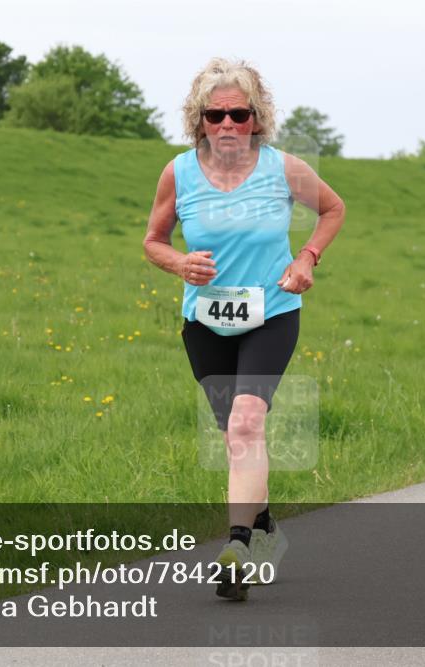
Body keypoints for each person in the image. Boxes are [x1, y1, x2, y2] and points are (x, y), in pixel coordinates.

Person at [143, 58, 345, 599]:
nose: (227, 125)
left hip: (271, 312)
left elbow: (332, 209)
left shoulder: (284, 168)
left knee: (246, 425)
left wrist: (307, 258)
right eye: (215, 115)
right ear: (199, 120)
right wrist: (178, 264)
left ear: (257, 119)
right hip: (205, 321)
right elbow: (153, 240)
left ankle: (236, 546)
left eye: (239, 113)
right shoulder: (178, 172)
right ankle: (266, 528)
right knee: (233, 435)